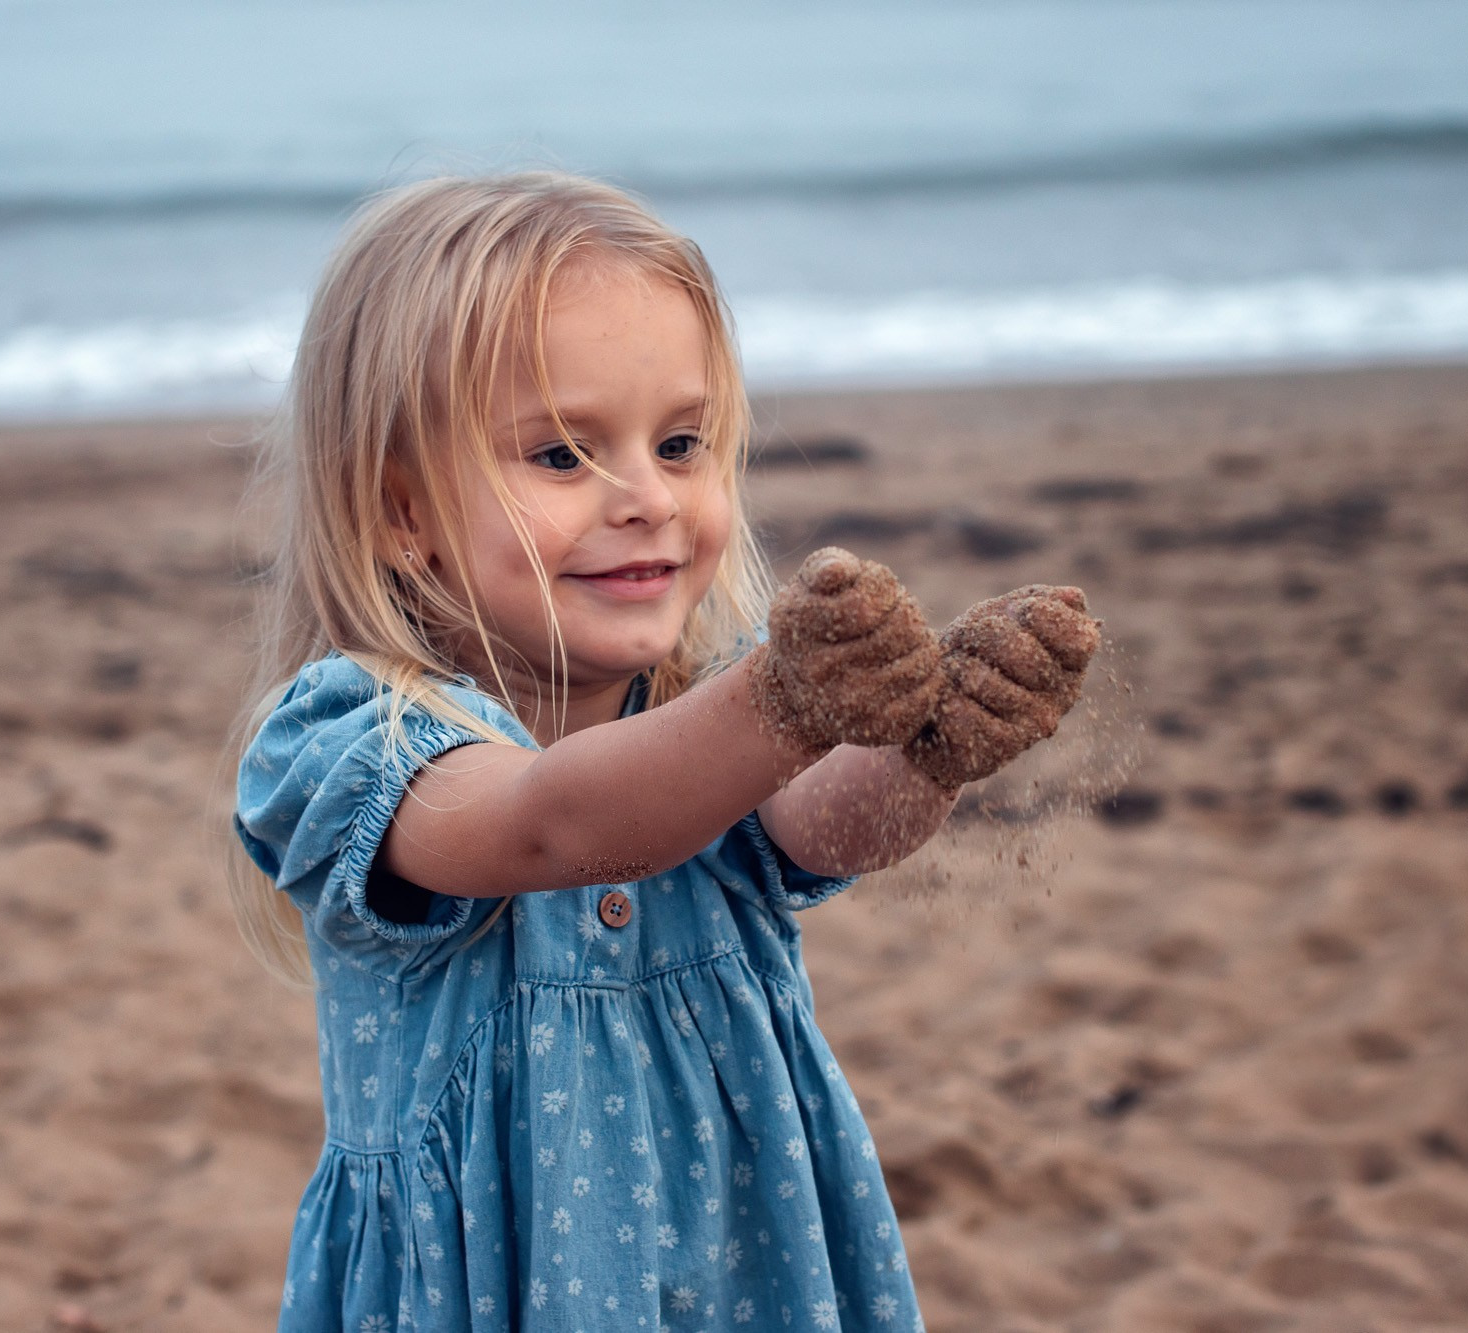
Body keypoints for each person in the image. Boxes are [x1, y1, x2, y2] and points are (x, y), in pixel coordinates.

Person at [230, 171, 1099, 1331]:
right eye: (561, 456)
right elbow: (549, 824)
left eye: (680, 442)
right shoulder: (349, 735)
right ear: (403, 512)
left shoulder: (705, 699)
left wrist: (929, 749)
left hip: (745, 1261)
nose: (647, 495)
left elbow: (821, 828)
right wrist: (781, 703)